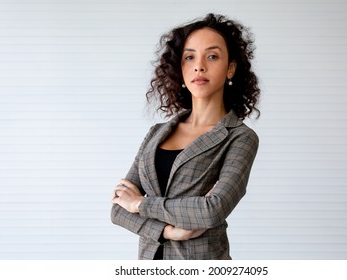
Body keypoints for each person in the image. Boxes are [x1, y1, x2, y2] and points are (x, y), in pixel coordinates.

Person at [111, 13, 260, 260]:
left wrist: (140, 204)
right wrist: (169, 231)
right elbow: (118, 209)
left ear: (230, 68)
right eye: (189, 57)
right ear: (180, 69)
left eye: (212, 56)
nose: (199, 66)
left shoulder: (240, 137)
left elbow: (212, 210)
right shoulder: (157, 133)